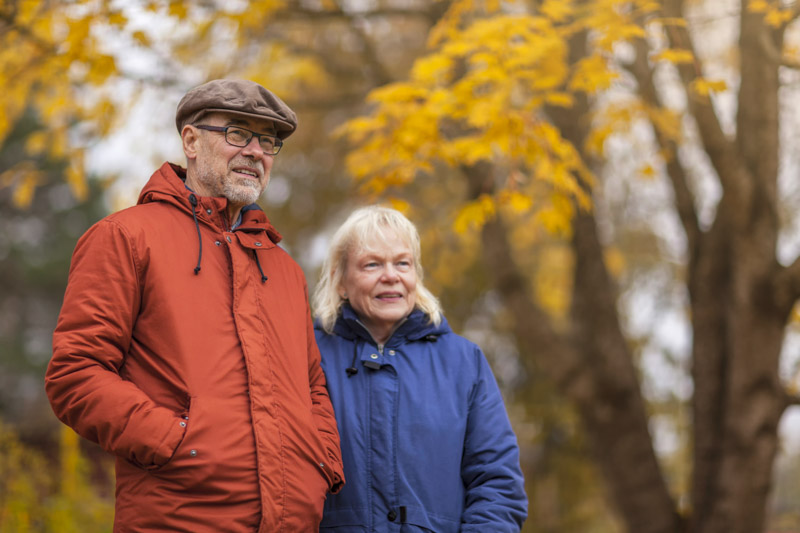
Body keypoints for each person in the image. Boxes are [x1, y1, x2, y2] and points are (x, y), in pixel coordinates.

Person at [45, 79, 344, 532]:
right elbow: (76, 375)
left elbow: (312, 387)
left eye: (268, 141)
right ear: (190, 140)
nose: (256, 151)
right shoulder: (125, 238)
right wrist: (174, 441)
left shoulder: (284, 269)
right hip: (179, 519)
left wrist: (322, 462)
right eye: (238, 133)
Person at [312, 205, 528, 532]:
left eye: (402, 263)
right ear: (340, 281)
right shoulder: (307, 355)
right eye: (372, 264)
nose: (391, 276)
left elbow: (497, 482)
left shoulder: (463, 362)